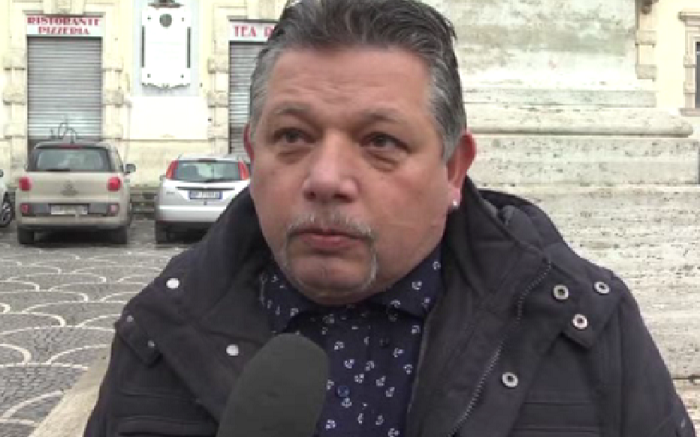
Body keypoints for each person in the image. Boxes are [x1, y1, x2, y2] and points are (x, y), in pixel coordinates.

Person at [84, 0, 696, 436]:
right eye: (293, 136)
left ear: (453, 169)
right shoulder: (161, 328)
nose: (327, 178)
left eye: (380, 142)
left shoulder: (585, 324)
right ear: (252, 153)